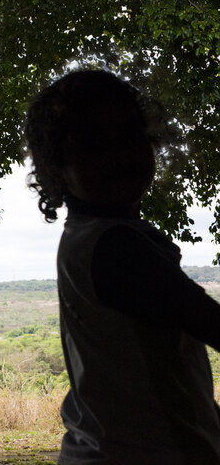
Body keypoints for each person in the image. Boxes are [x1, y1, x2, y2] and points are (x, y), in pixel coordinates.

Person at [25, 68, 220, 464]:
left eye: (130, 136)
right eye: (94, 144)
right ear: (57, 168)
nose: (119, 154)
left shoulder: (90, 238)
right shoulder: (115, 248)